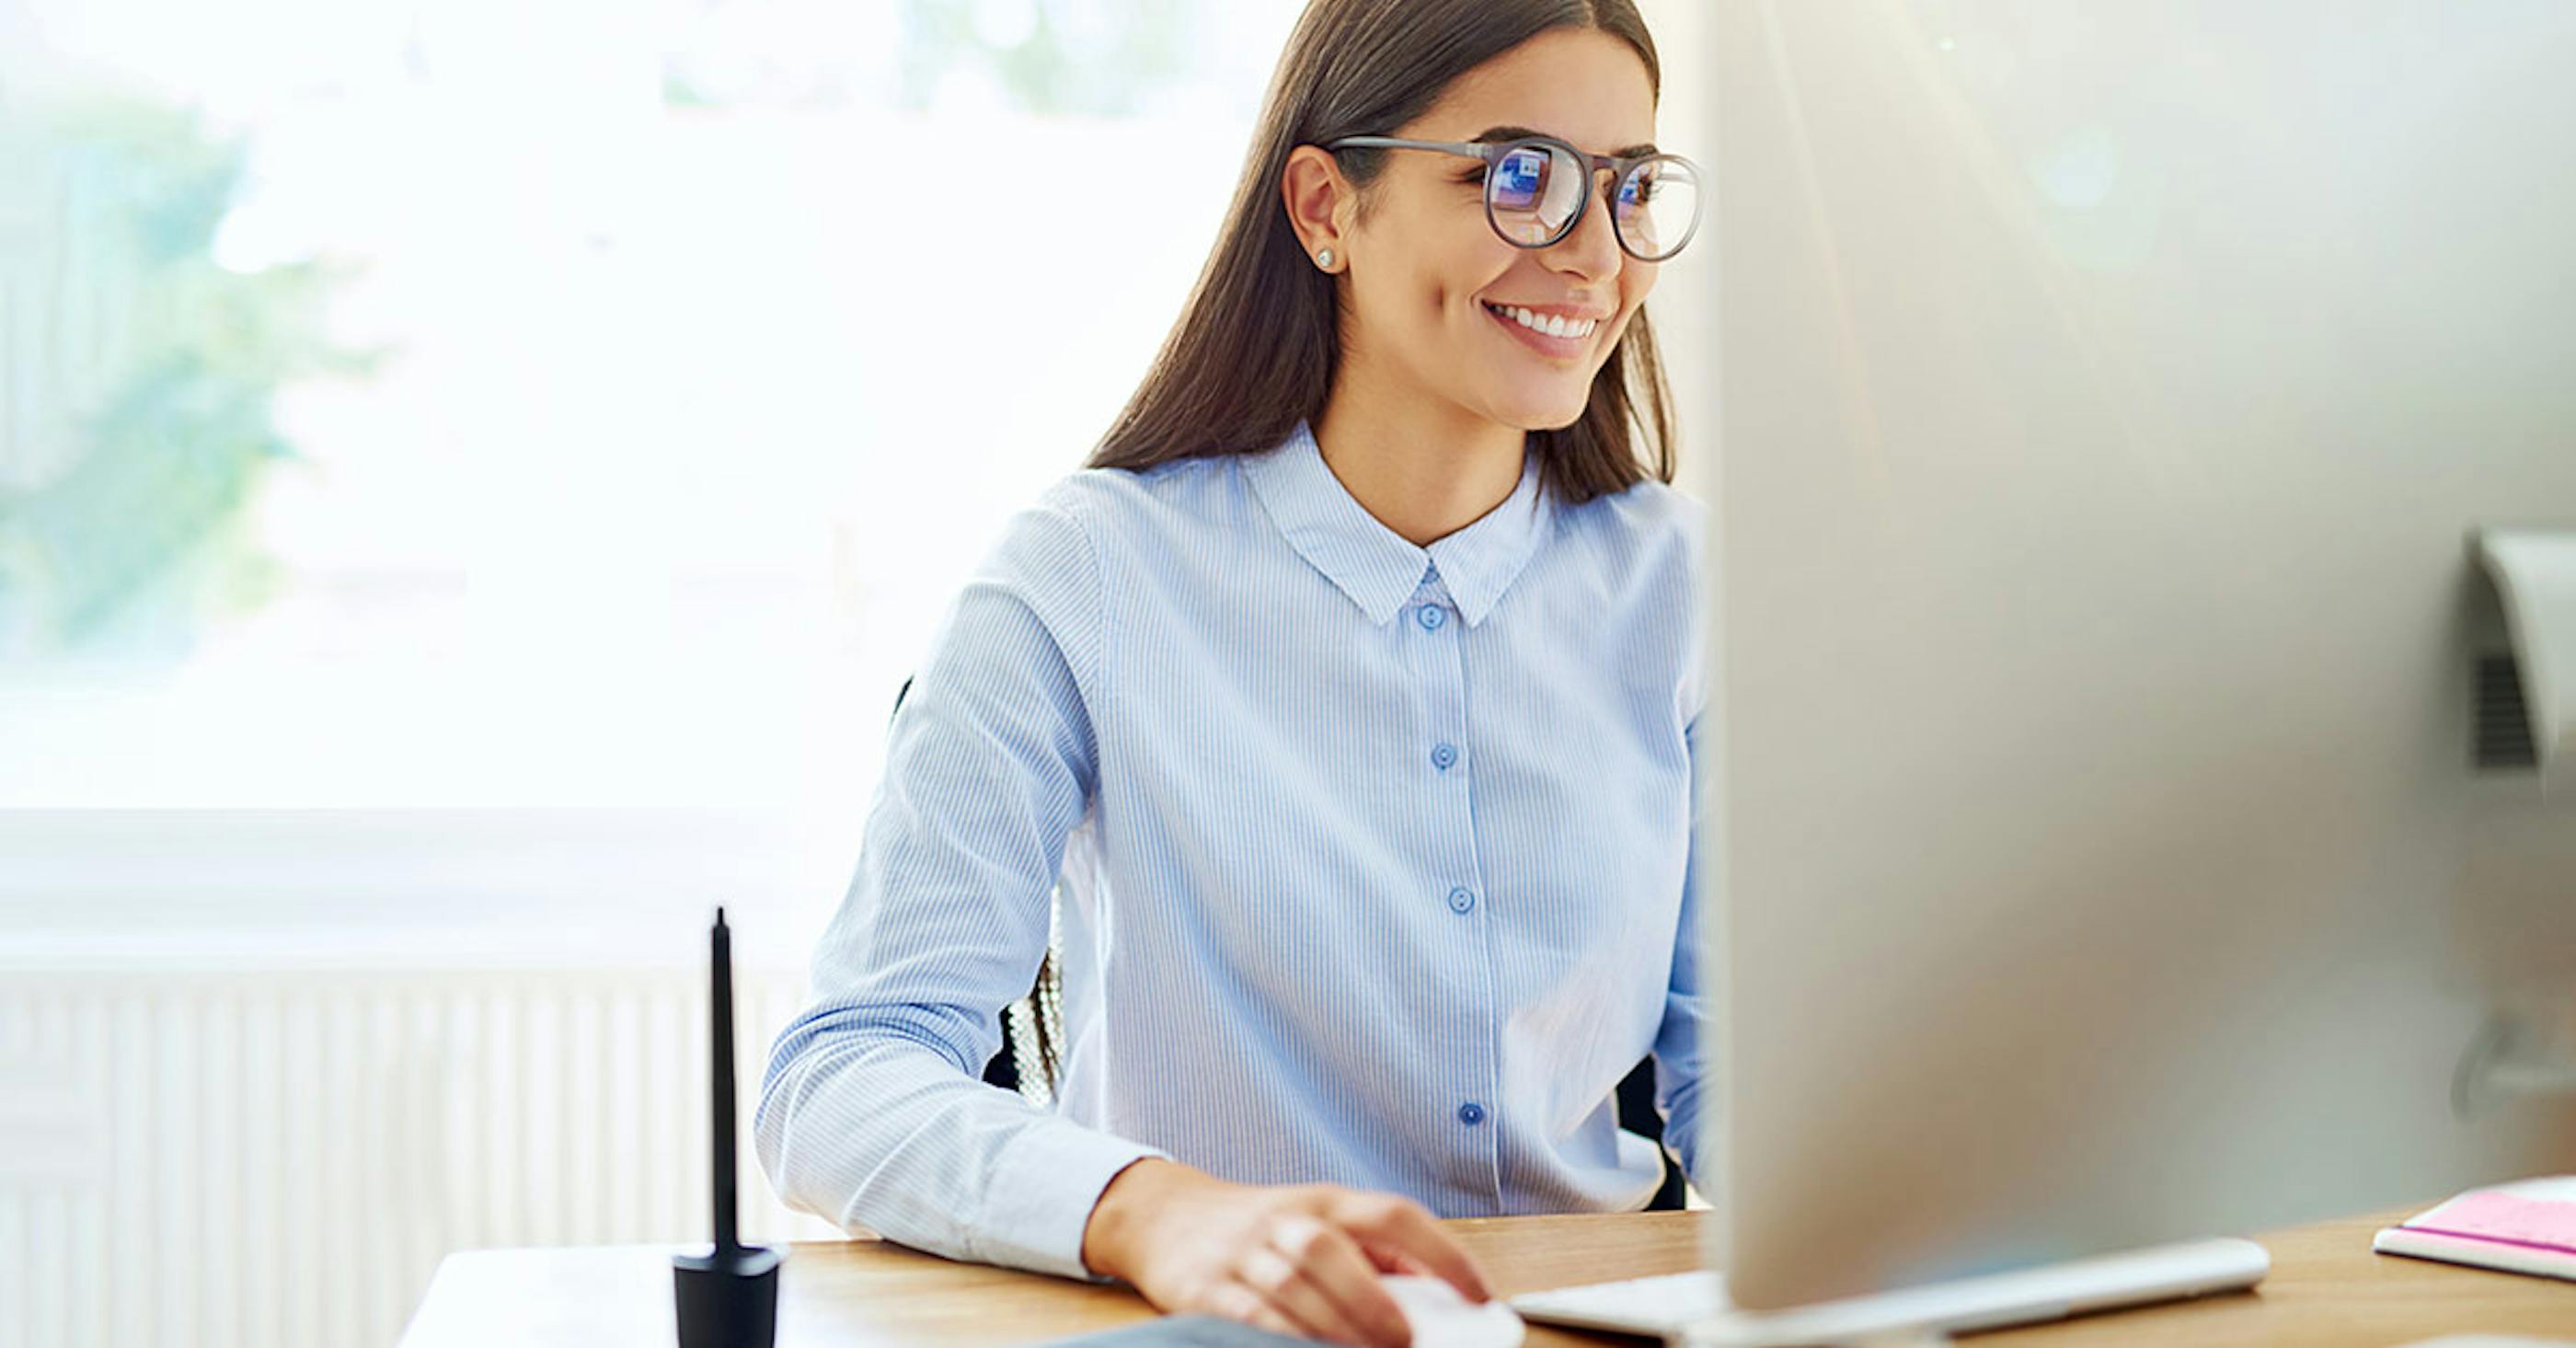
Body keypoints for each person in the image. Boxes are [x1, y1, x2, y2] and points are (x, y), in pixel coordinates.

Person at [756, 3, 1710, 1344]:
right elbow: (840, 1078)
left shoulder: (1687, 590)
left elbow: (1751, 1078)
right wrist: (1157, 1212)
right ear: (1326, 207)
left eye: (1629, 188)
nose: (1597, 255)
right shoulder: (1087, 577)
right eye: (1520, 174)